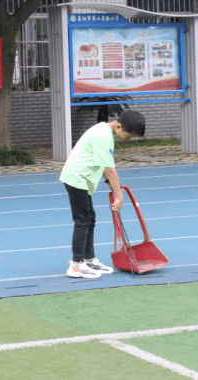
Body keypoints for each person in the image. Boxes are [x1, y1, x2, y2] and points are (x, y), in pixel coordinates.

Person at [60, 109, 146, 278]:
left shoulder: (103, 129)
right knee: (83, 220)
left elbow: (103, 167)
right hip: (76, 179)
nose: (126, 139)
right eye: (127, 135)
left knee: (90, 218)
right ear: (119, 126)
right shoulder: (103, 136)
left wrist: (111, 186)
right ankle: (76, 265)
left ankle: (89, 259)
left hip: (82, 179)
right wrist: (119, 196)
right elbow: (110, 170)